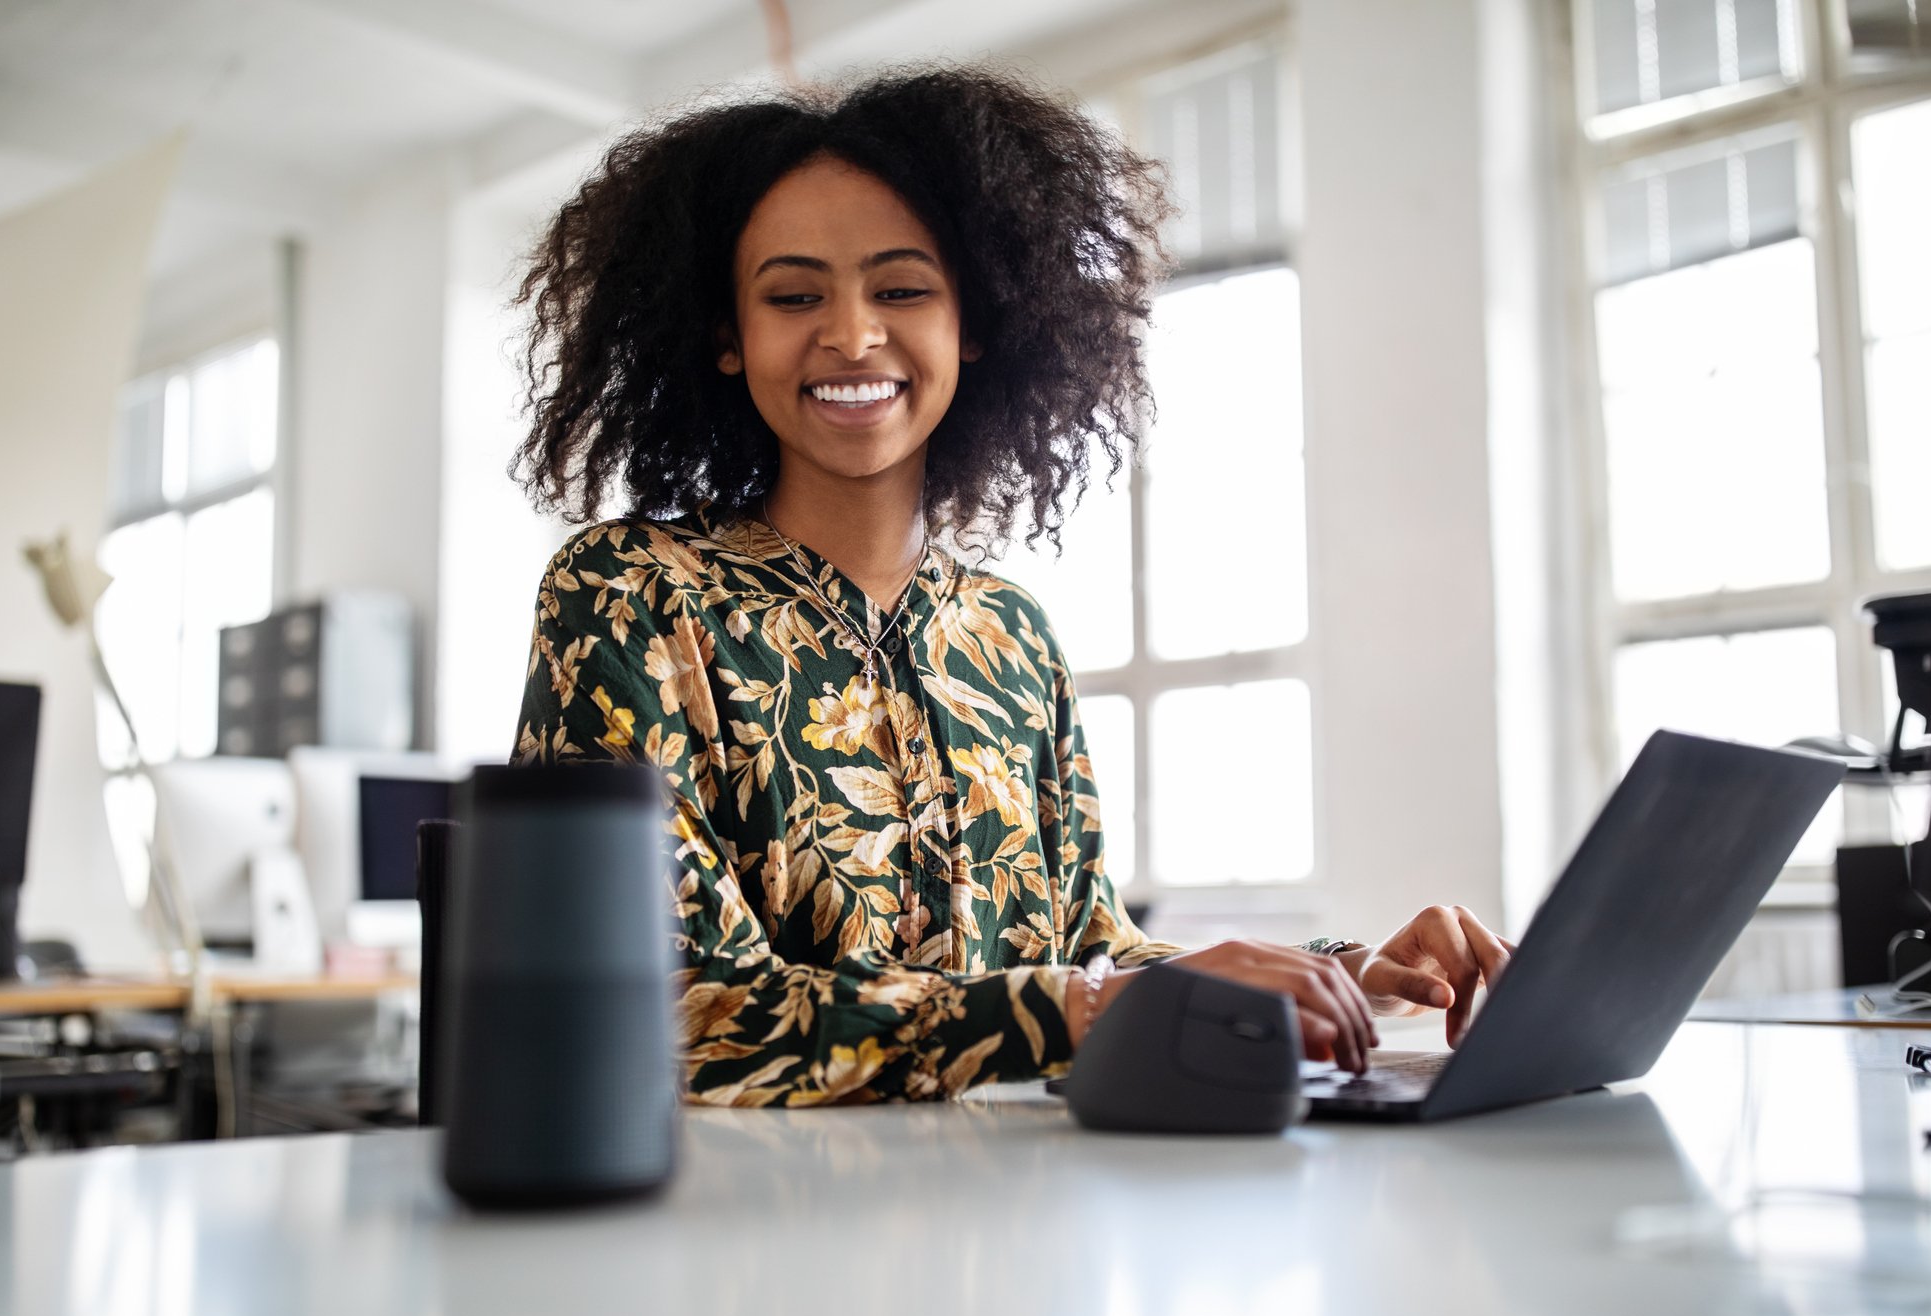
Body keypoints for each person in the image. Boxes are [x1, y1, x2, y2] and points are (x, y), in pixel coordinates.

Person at [511, 66, 1512, 1107]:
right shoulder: (629, 595)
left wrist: (1338, 975)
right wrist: (1074, 1008)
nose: (852, 335)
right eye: (794, 294)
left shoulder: (1009, 639)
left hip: (1014, 1224)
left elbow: (1093, 952)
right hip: (744, 1232)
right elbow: (656, 1008)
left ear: (976, 323)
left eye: (901, 289)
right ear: (725, 335)